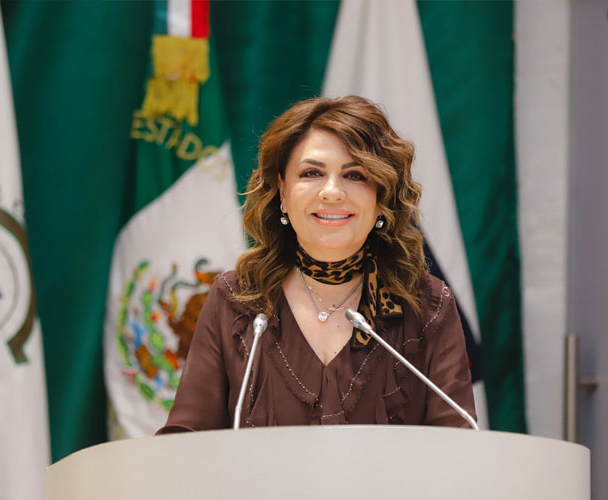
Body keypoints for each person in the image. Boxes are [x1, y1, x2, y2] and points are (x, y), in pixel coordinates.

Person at [158, 95, 475, 432]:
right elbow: (184, 442)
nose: (332, 192)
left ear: (381, 196)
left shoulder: (428, 306)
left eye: (355, 175)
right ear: (282, 191)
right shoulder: (236, 299)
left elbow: (457, 448)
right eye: (312, 173)